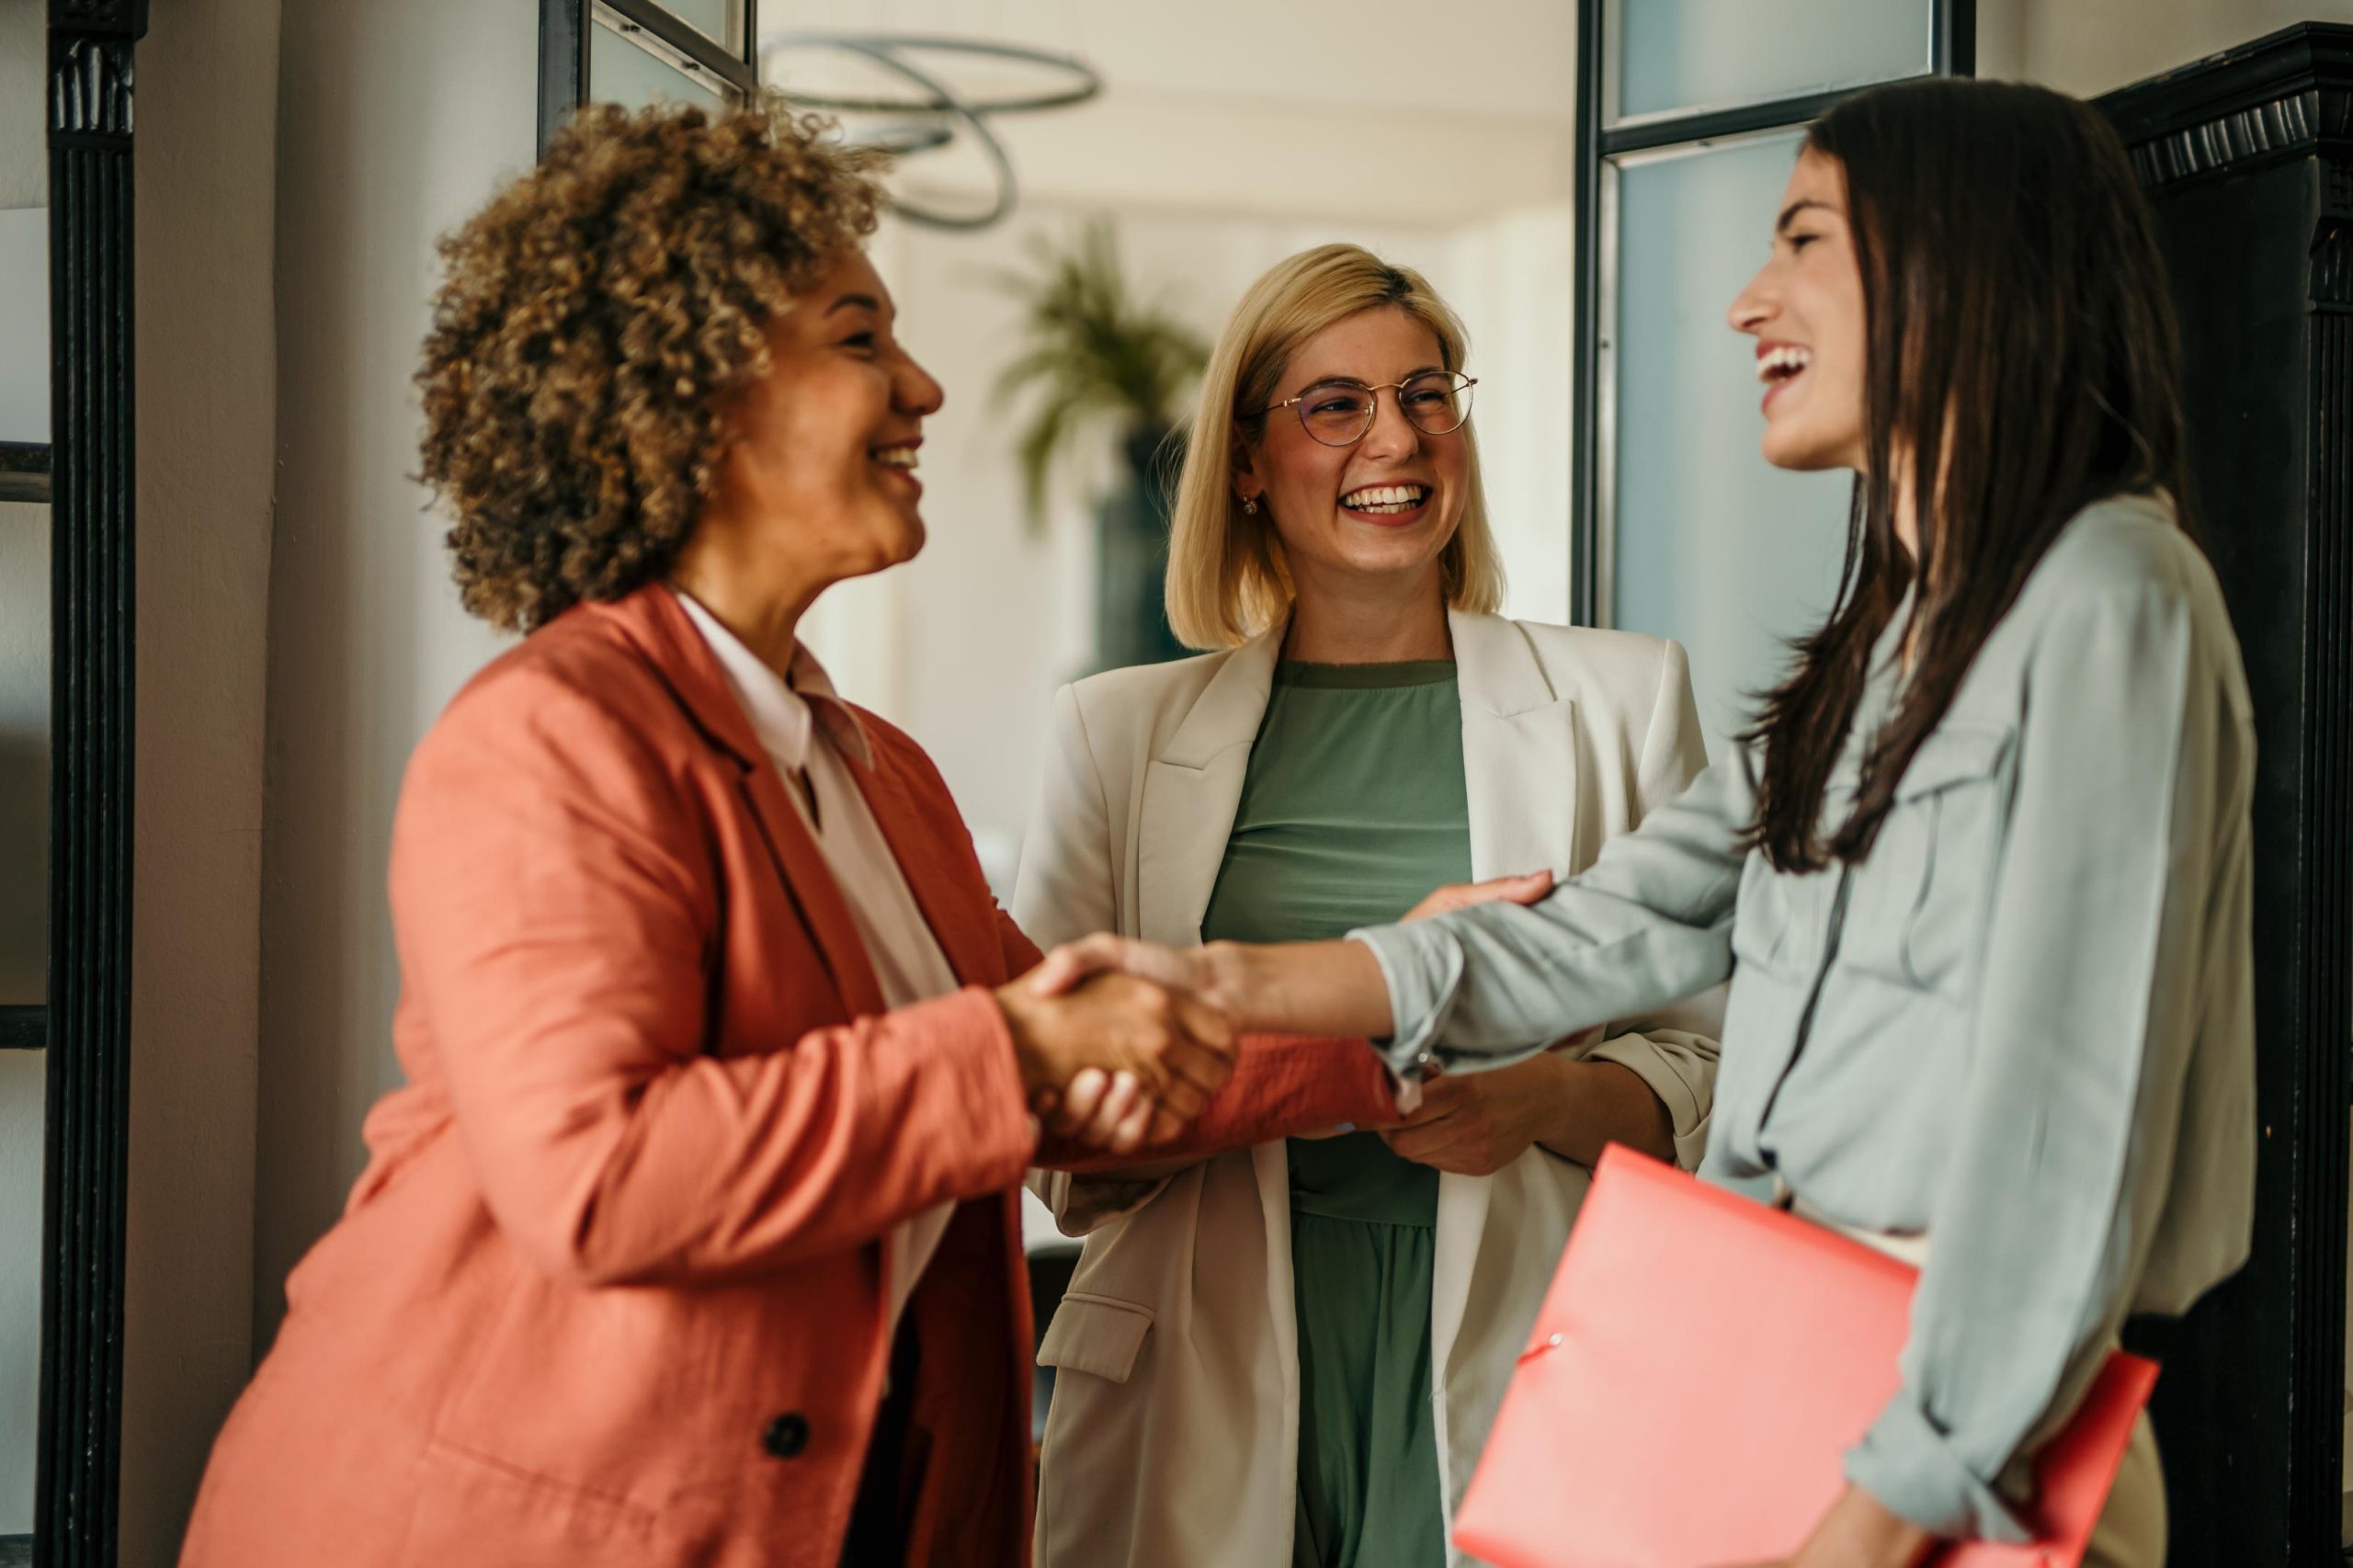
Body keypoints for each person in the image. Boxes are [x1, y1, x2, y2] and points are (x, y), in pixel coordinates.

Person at [1033, 79, 2255, 1568]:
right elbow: (1614, 921)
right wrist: (1222, 985)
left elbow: (2070, 1132)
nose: (1748, 302)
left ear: (1961, 265)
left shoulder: (2114, 597)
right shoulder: (1889, 642)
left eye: (1801, 238)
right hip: (1782, 1374)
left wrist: (1875, 1516)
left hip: (1959, 1442)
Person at [176, 103, 1399, 1568]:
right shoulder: (554, 735)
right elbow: (604, 1175)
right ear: (696, 395)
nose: (925, 386)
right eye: (860, 337)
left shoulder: (879, 770)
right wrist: (1015, 1048)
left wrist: (1414, 1012)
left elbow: (1081, 1063)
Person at [1017, 244, 1722, 1568]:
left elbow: (1714, 1069)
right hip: (1195, 1362)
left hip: (1538, 1347)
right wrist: (1311, 1067)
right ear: (1243, 461)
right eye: (1332, 404)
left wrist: (1538, 1104)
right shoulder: (1111, 733)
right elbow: (1056, 1137)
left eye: (1427, 394)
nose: (1395, 437)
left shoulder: (1625, 700)